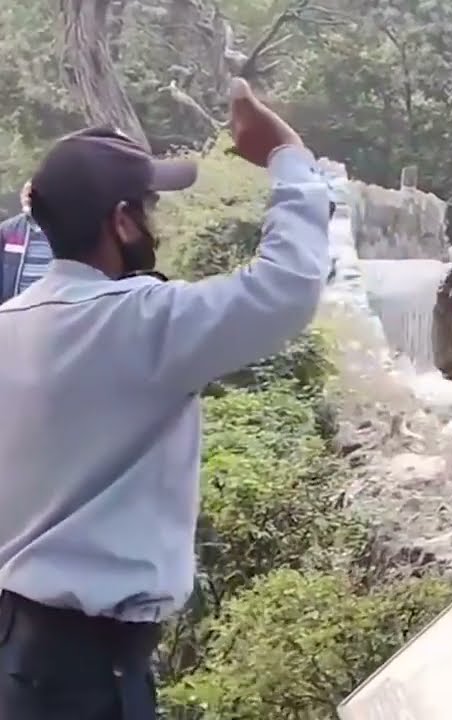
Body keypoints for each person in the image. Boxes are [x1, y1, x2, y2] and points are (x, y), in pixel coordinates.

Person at [0, 78, 330, 719]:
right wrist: (288, 156)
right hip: (85, 680)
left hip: (18, 659)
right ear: (121, 222)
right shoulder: (141, 323)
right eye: (149, 208)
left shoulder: (10, 322)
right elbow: (288, 285)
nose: (157, 223)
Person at [0, 181, 55, 303]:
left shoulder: (68, 229)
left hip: (56, 309)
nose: (28, 198)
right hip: (17, 311)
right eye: (26, 193)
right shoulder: (8, 230)